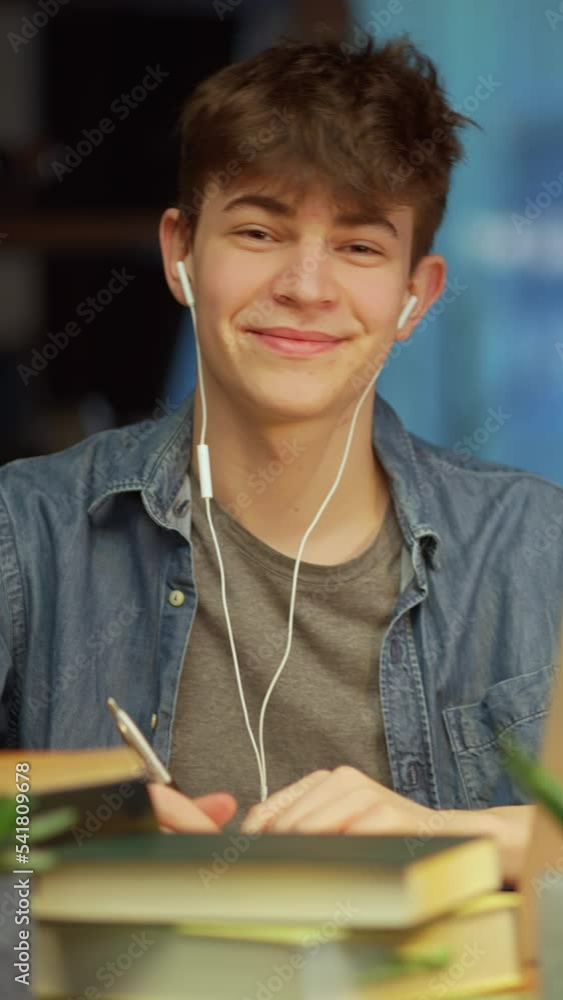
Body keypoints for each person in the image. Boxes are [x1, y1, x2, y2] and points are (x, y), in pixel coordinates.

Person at [1, 35, 562, 886]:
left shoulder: (536, 543)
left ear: (417, 294)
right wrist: (76, 818)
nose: (305, 285)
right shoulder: (25, 528)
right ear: (180, 253)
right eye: (260, 230)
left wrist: (449, 836)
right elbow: (24, 811)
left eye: (360, 247)